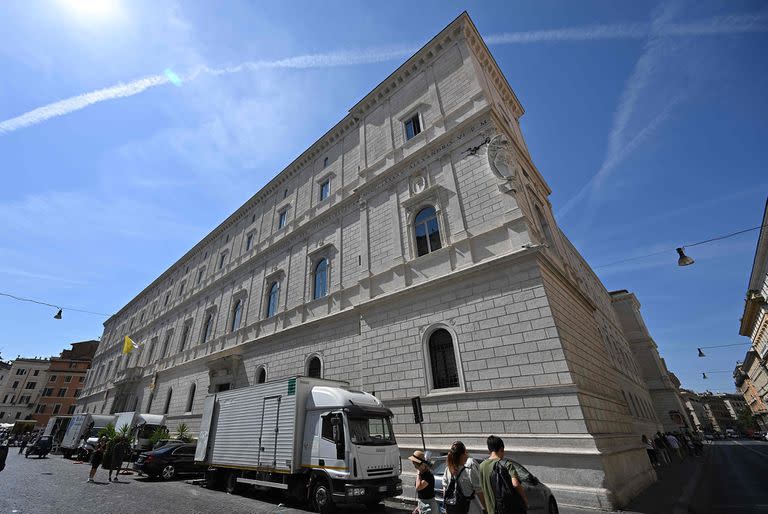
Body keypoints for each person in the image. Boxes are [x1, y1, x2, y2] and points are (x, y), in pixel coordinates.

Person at [479, 435, 527, 514]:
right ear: (501, 449)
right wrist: (525, 499)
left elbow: (481, 490)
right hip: (506, 509)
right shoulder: (506, 464)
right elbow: (515, 484)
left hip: (491, 510)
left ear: (489, 449)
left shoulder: (481, 466)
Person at [443, 440, 485, 514]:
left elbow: (445, 492)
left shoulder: (447, 470)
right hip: (470, 509)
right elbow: (479, 491)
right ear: (462, 455)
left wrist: (447, 509)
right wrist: (486, 508)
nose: (467, 455)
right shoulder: (469, 468)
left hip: (454, 509)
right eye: (466, 452)